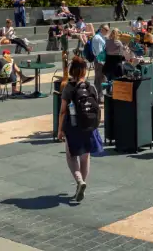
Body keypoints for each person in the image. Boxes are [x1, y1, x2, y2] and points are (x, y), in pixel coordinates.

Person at [56, 56, 103, 204]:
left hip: (74, 126)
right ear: (84, 71)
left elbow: (63, 111)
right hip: (89, 126)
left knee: (71, 156)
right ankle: (81, 185)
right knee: (85, 157)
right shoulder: (91, 87)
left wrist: (60, 130)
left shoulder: (69, 88)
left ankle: (79, 181)